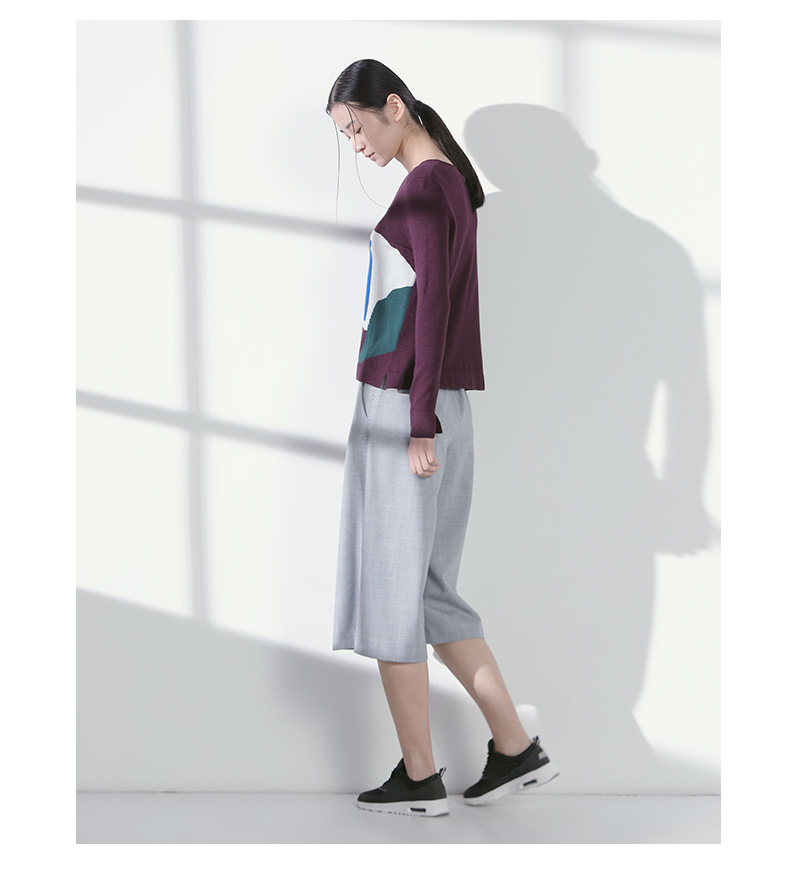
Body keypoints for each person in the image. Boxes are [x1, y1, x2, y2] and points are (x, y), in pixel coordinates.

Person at [326, 59, 559, 817]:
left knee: (395, 593)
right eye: (345, 135)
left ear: (394, 107)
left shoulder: (427, 186)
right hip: (435, 402)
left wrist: (418, 420)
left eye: (357, 127)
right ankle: (515, 748)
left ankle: (421, 775)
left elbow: (428, 310)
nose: (356, 144)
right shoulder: (450, 184)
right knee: (429, 592)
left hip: (406, 405)